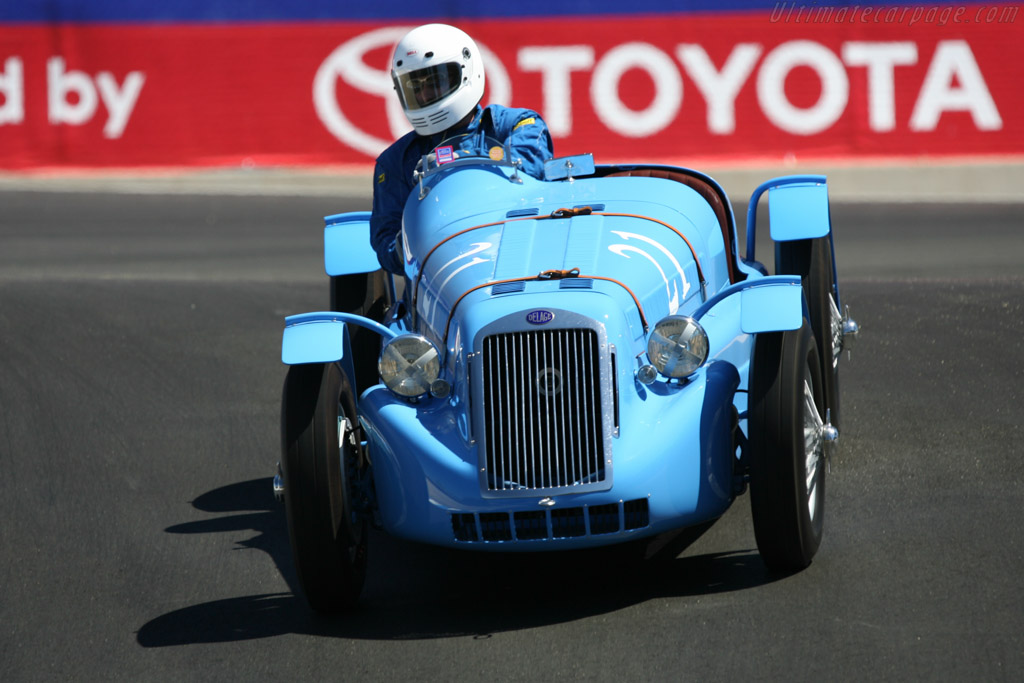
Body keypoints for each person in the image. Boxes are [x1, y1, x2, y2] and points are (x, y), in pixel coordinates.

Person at [370, 23, 554, 273]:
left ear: (466, 72)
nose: (424, 95)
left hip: (515, 259)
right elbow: (387, 249)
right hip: (438, 279)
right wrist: (413, 238)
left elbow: (528, 176)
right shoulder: (393, 162)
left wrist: (459, 166)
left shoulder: (518, 125)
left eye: (434, 82)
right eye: (415, 87)